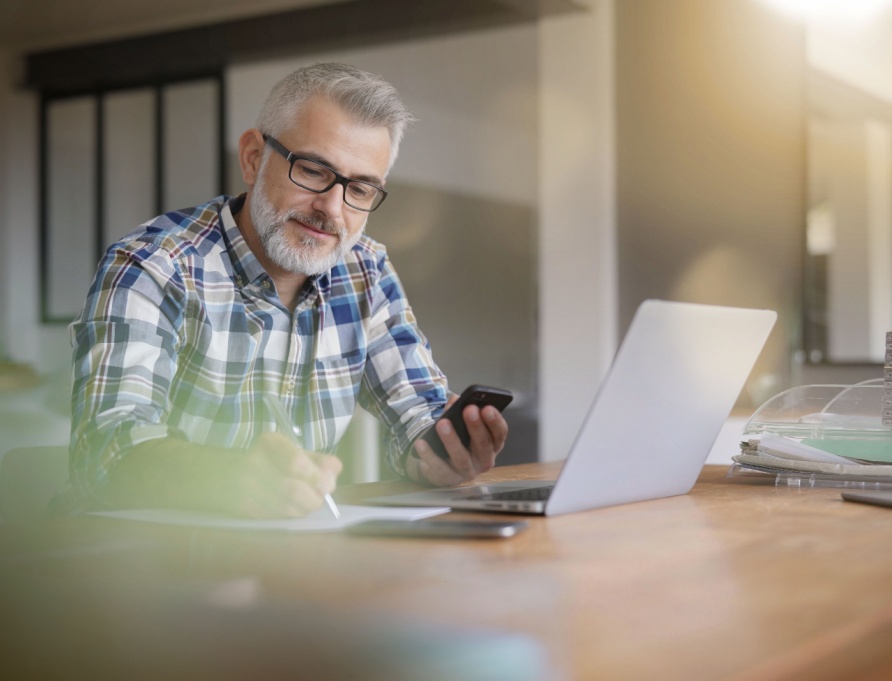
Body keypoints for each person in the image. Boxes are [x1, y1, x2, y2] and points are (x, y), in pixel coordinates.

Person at [64, 63, 508, 518]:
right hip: (150, 566)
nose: (331, 209)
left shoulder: (364, 268)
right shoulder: (154, 265)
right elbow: (105, 449)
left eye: (359, 188)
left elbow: (417, 410)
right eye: (314, 171)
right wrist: (226, 478)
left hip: (300, 557)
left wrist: (442, 454)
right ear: (254, 157)